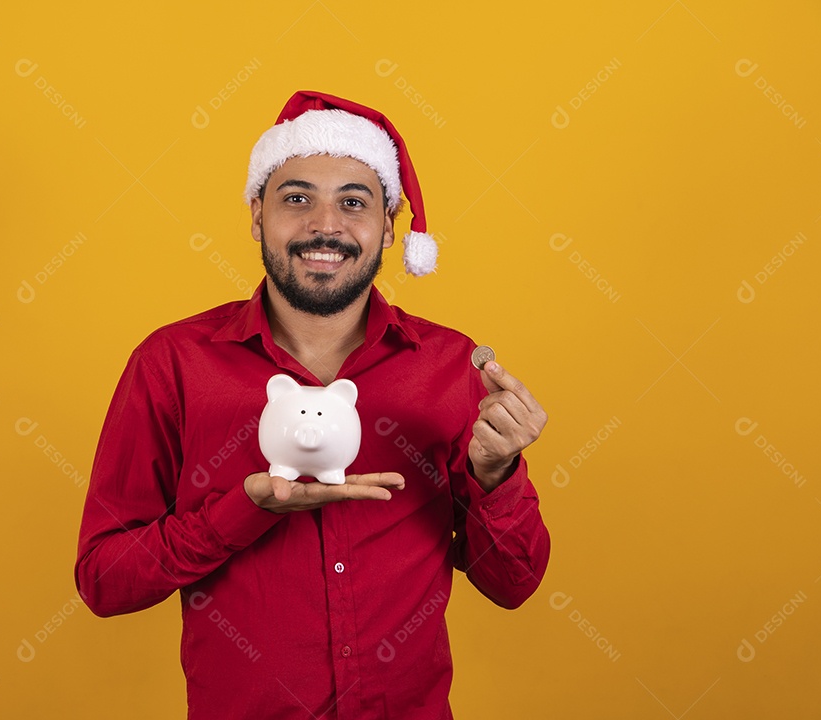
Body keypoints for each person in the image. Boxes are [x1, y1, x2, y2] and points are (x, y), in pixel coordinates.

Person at [74, 90, 551, 719]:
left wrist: (498, 477)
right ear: (256, 215)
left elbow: (513, 585)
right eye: (296, 198)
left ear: (388, 225)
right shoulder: (173, 364)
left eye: (353, 203)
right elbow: (105, 581)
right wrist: (240, 512)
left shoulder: (447, 367)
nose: (325, 226)